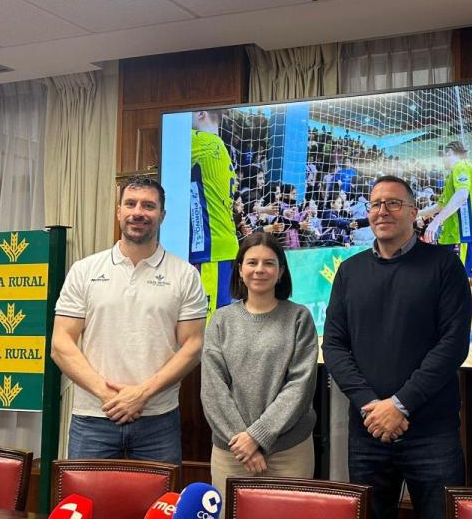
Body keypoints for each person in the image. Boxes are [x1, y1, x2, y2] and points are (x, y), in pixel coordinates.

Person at [323, 175, 471, 519]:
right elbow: (334, 345)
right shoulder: (350, 271)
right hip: (368, 429)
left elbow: (453, 345)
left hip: (432, 433)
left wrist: (401, 405)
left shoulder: (445, 266)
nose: (382, 211)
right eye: (375, 204)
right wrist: (371, 405)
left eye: (393, 203)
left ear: (413, 211)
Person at [52, 177, 207, 464]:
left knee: (156, 508)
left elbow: (193, 346)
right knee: (87, 507)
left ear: (162, 215)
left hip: (158, 421)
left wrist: (142, 394)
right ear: (118, 211)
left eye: (149, 206)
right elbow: (61, 343)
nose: (139, 212)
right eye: (131, 204)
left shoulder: (185, 275)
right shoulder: (84, 270)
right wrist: (108, 395)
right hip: (93, 418)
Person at [201, 232, 318, 496]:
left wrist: (257, 437)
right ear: (240, 270)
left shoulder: (299, 318)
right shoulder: (221, 320)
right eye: (252, 262)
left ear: (281, 272)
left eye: (269, 263)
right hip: (232, 451)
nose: (260, 270)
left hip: (289, 451)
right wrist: (243, 442)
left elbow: (300, 386)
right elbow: (213, 389)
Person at [420, 141, 472, 313]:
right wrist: (416, 213)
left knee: (457, 285)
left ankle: (463, 332)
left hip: (463, 235)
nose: (442, 159)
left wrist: (435, 222)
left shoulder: (462, 166)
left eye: (443, 155)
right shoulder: (452, 176)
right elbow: (440, 206)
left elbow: (462, 196)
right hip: (452, 236)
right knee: (450, 280)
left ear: (449, 153)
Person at [191, 109, 240, 313]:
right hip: (221, 247)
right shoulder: (221, 149)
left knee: (208, 327)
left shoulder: (202, 141)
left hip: (211, 250)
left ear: (201, 114)